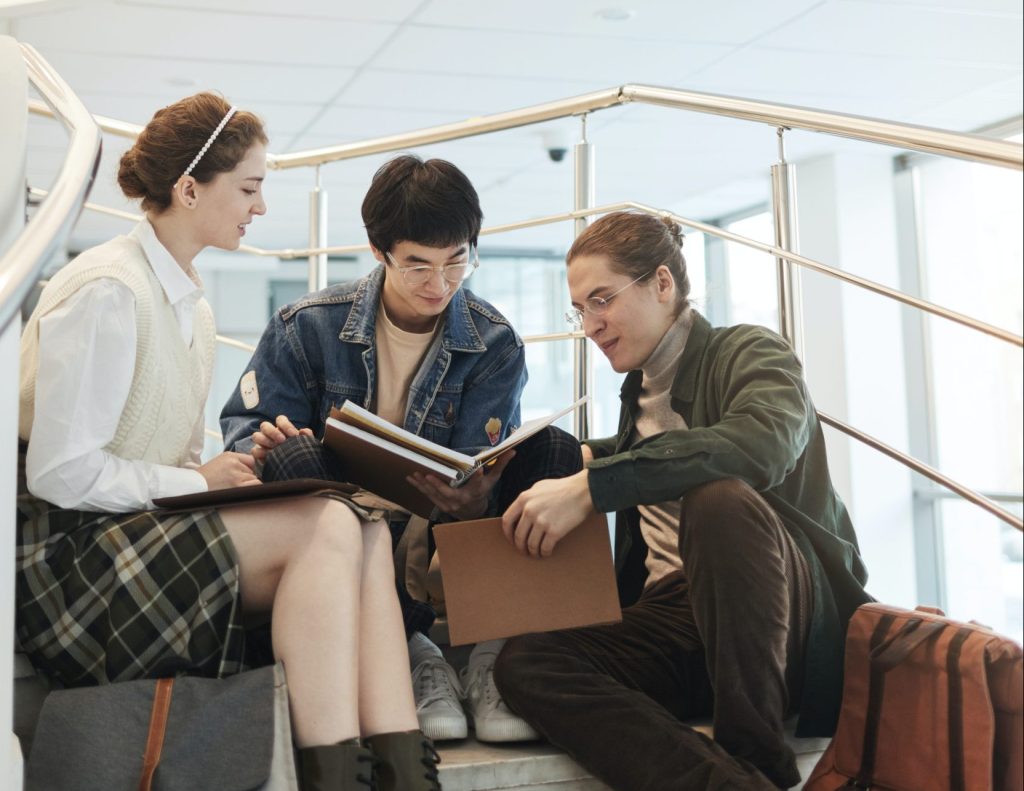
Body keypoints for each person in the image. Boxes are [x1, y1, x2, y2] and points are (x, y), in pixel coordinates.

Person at [16, 93, 439, 791]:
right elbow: (61, 474)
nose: (261, 206)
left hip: (132, 537)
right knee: (328, 521)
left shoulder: (191, 303)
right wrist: (200, 482)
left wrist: (233, 478)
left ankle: (404, 773)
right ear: (188, 189)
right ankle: (334, 776)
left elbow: (164, 463)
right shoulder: (107, 291)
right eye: (249, 187)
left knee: (359, 526)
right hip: (70, 565)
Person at [493, 211, 872, 790]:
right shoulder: (637, 394)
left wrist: (596, 485)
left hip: (779, 617)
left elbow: (761, 444)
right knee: (527, 663)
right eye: (579, 310)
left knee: (717, 500)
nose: (590, 324)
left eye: (602, 300)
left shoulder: (751, 351)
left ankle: (758, 751)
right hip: (676, 615)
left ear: (662, 283)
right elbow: (642, 455)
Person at [219, 154, 582, 744]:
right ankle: (414, 650)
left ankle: (495, 658)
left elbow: (478, 466)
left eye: (456, 261)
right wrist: (264, 445)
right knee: (295, 457)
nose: (439, 285)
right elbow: (246, 431)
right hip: (342, 525)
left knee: (556, 453)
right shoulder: (305, 326)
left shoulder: (493, 340)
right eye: (417, 266)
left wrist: (470, 500)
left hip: (443, 526)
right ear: (378, 250)